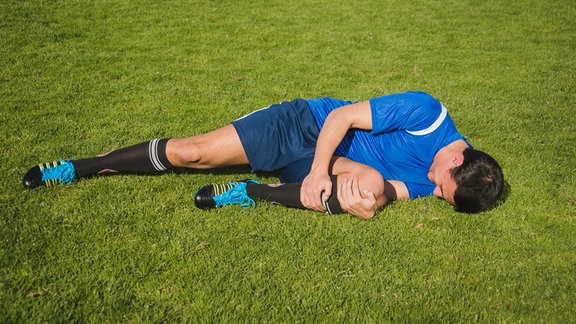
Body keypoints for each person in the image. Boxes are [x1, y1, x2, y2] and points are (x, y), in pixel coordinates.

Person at [22, 91, 504, 218]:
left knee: (375, 189)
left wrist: (364, 202)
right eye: (440, 186)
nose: (432, 189)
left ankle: (253, 192)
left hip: (337, 166)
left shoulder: (439, 182)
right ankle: (75, 167)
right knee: (192, 153)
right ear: (457, 162)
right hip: (307, 125)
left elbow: (388, 190)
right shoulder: (427, 114)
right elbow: (341, 121)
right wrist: (319, 173)